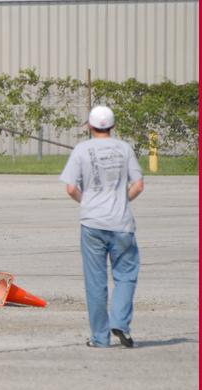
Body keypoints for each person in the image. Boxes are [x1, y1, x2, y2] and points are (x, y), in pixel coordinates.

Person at [59, 105, 144, 348]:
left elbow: (70, 188)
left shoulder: (81, 149)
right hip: (122, 223)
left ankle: (100, 337)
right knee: (126, 275)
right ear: (112, 126)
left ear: (89, 125)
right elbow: (138, 185)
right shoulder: (125, 148)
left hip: (92, 223)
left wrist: (87, 203)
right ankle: (120, 322)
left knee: (95, 281)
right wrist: (121, 201)